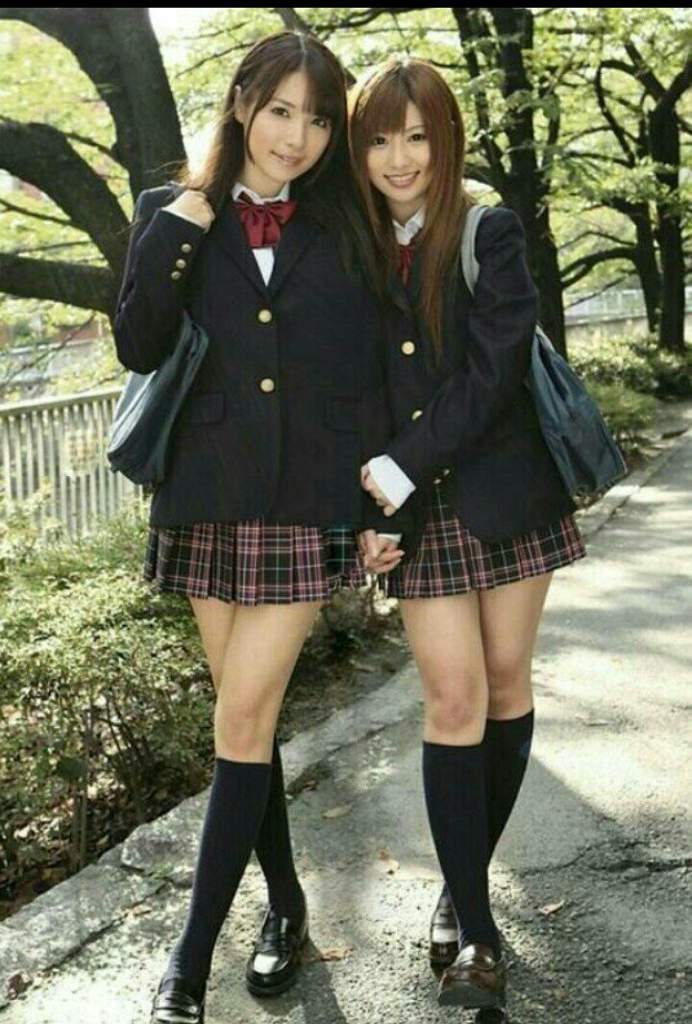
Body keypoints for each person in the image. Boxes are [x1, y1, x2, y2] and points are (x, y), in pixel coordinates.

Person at [113, 31, 406, 1024]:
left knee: (239, 720)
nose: (299, 135)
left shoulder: (344, 219)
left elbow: (368, 371)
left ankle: (186, 967)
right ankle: (283, 906)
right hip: (204, 495)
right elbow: (137, 338)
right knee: (250, 723)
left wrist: (374, 507)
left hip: (301, 502)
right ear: (240, 104)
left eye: (319, 117)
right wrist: (184, 224)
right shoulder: (170, 213)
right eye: (280, 109)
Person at [349, 57, 587, 1016]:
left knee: (502, 682)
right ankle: (480, 941)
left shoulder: (490, 228)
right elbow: (341, 396)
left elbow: (494, 376)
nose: (399, 158)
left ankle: (461, 883)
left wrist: (402, 467)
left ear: (445, 141)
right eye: (378, 137)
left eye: (418, 136)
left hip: (502, 492)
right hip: (411, 515)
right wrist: (370, 512)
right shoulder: (349, 246)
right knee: (452, 700)